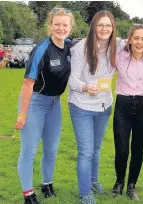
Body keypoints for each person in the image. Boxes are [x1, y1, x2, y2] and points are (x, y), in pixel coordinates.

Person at [14, 8, 74, 204]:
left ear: (70, 27)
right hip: (35, 103)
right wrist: (22, 114)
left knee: (51, 149)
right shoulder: (42, 49)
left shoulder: (69, 46)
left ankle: (47, 184)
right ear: (50, 26)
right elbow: (27, 83)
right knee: (29, 150)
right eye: (57, 24)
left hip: (55, 104)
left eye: (65, 24)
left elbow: (98, 46)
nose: (61, 28)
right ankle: (28, 194)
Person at [68, 10, 122, 204]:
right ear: (94, 27)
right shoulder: (82, 48)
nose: (104, 29)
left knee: (96, 148)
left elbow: (138, 43)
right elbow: (71, 78)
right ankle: (85, 193)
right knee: (85, 151)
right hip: (81, 105)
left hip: (104, 105)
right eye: (100, 25)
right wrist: (84, 86)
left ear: (113, 28)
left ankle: (93, 180)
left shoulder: (117, 47)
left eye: (108, 25)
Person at [112, 24, 143, 200]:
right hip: (123, 104)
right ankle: (119, 181)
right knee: (121, 149)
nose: (139, 42)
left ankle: (131, 185)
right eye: (136, 38)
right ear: (130, 39)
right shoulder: (120, 56)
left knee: (138, 149)